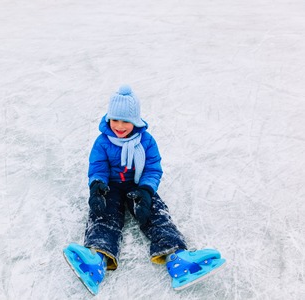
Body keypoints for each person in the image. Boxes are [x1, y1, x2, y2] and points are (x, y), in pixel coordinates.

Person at [63, 85, 226, 295]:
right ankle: (96, 260)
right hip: (110, 187)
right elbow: (98, 167)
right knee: (103, 214)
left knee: (155, 214)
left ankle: (177, 259)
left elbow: (152, 168)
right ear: (108, 119)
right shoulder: (102, 142)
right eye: (115, 120)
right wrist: (97, 186)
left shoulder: (146, 142)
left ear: (135, 121)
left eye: (126, 121)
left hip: (138, 186)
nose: (119, 126)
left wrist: (147, 191)